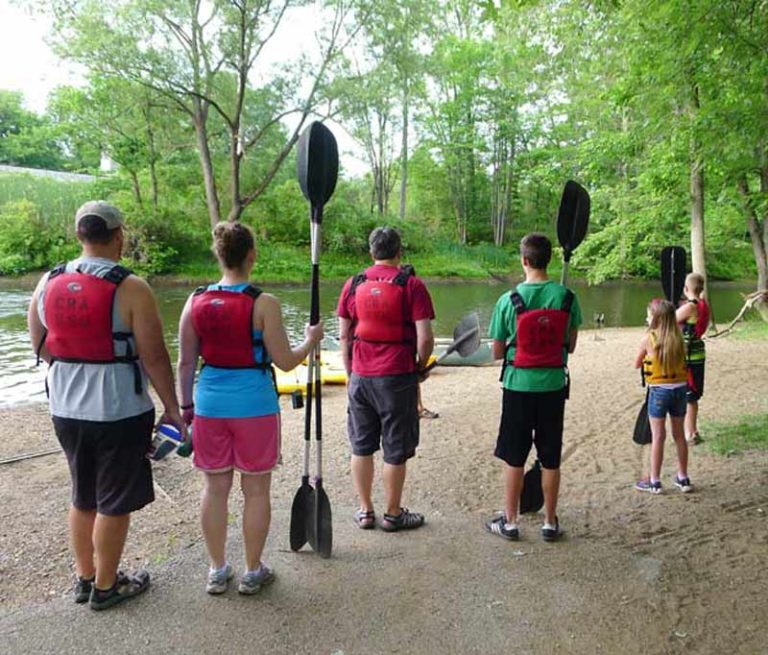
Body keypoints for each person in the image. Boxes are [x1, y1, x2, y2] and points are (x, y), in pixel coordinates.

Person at [27, 201, 183, 611]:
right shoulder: (131, 287)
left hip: (65, 407)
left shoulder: (48, 281)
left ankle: (85, 577)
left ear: (79, 235)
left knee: (83, 495)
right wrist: (172, 408)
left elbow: (40, 344)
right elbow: (154, 356)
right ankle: (108, 586)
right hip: (118, 410)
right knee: (114, 499)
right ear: (118, 237)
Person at [177, 222, 323, 595]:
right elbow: (286, 362)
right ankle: (253, 571)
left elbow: (185, 363)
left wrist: (185, 409)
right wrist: (311, 340)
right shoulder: (264, 303)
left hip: (209, 406)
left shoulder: (194, 302)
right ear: (251, 256)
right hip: (255, 408)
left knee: (215, 488)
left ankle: (217, 569)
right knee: (256, 491)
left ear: (219, 256)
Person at [485, 233, 582, 542]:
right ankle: (550, 522)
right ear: (548, 260)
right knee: (550, 456)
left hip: (518, 386)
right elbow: (572, 345)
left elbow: (497, 352)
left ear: (524, 260)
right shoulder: (567, 298)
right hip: (553, 386)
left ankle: (510, 521)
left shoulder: (507, 301)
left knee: (515, 455)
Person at [337, 227, 435, 531]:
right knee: (395, 447)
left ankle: (365, 511)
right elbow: (425, 338)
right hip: (397, 377)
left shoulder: (353, 284)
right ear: (399, 252)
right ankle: (392, 514)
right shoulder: (412, 285)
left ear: (371, 252)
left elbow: (344, 335)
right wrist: (420, 366)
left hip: (361, 377)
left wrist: (350, 373)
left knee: (361, 445)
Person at [634, 298, 693, 494]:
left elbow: (636, 363)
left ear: (655, 319)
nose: (646, 317)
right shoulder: (679, 338)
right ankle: (683, 478)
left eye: (648, 315)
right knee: (679, 436)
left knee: (658, 437)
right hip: (679, 391)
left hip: (659, 391)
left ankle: (655, 481)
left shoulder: (649, 339)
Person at [675, 273, 710, 445]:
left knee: (689, 396)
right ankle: (693, 430)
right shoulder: (704, 304)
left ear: (686, 289)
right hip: (698, 354)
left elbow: (670, 319)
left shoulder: (691, 306)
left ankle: (690, 434)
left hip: (689, 358)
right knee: (693, 396)